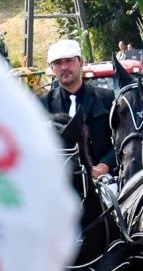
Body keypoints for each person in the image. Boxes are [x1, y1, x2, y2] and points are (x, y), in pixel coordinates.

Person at [39, 38, 116, 178]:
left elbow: (121, 142)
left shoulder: (106, 99)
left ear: (81, 63)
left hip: (101, 181)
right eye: (57, 63)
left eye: (69, 61)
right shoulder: (42, 105)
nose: (64, 67)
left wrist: (104, 166)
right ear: (52, 68)